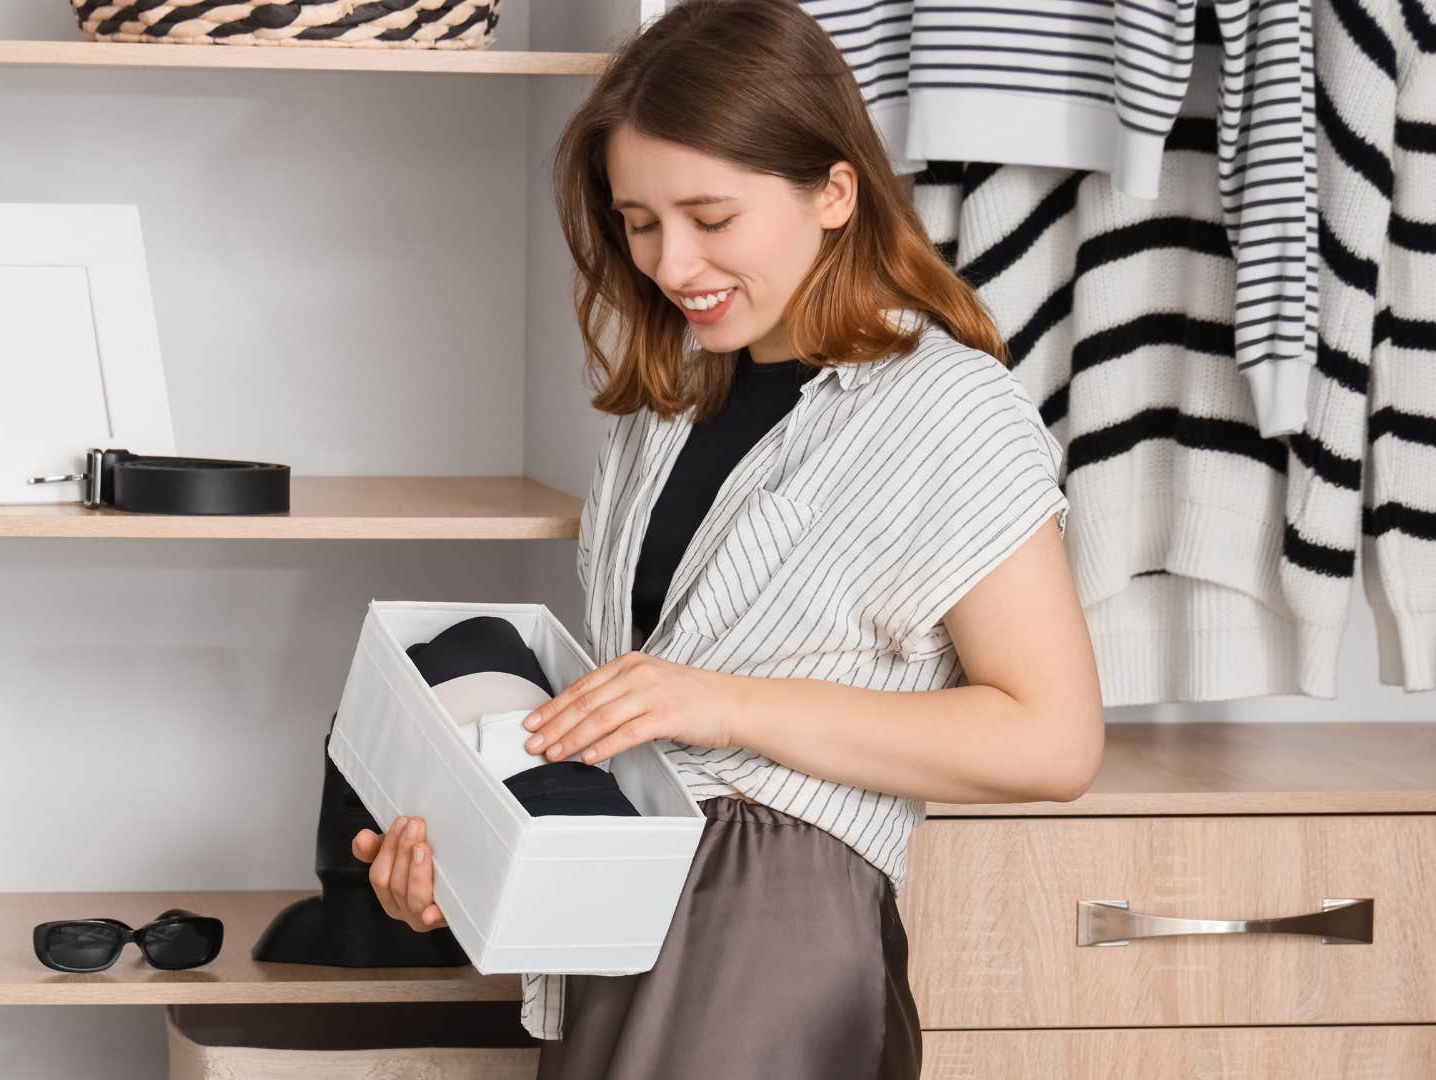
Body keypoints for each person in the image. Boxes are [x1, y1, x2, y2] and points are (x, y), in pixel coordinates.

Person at [352, 1, 1105, 1075]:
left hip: (776, 931)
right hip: (622, 913)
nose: (669, 263)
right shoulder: (664, 412)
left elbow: (1055, 741)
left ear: (834, 191)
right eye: (640, 221)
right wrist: (472, 866)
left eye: (711, 217)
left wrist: (724, 700)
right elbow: (635, 724)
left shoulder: (947, 410)